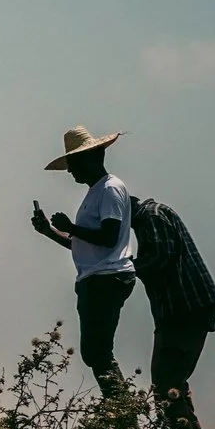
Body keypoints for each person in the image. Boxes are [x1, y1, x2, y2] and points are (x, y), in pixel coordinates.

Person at [30, 125, 136, 393]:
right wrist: (49, 231)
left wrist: (72, 227)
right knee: (94, 352)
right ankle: (118, 411)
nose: (70, 170)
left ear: (93, 157)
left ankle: (122, 414)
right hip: (98, 277)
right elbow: (83, 245)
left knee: (98, 352)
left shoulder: (110, 189)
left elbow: (109, 237)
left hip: (106, 278)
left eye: (74, 162)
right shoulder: (97, 192)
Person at [131, 195, 215, 429]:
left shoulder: (151, 217)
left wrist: (126, 267)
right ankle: (185, 428)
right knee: (172, 375)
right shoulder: (154, 214)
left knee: (166, 375)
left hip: (183, 307)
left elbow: (161, 257)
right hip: (186, 307)